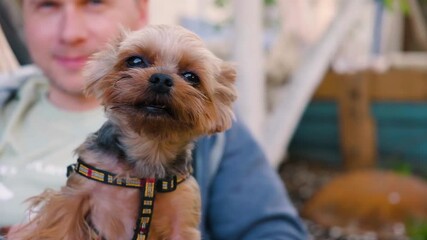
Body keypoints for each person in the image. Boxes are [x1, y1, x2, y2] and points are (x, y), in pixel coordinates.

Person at [0, 0, 308, 239]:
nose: (71, 32)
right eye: (47, 4)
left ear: (141, 8)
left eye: (95, 2)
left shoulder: (220, 143)